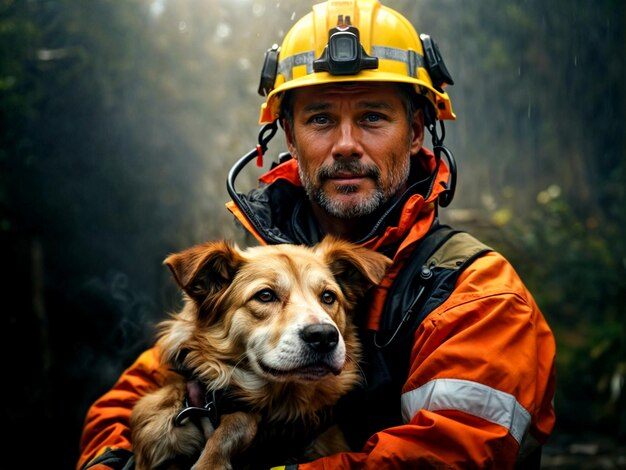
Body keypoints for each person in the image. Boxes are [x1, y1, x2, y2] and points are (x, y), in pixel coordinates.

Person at [76, 0, 556, 468]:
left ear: (414, 132)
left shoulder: (476, 293)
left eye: (372, 116)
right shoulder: (254, 269)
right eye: (321, 118)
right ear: (290, 135)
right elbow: (128, 400)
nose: (345, 145)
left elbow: (456, 451)